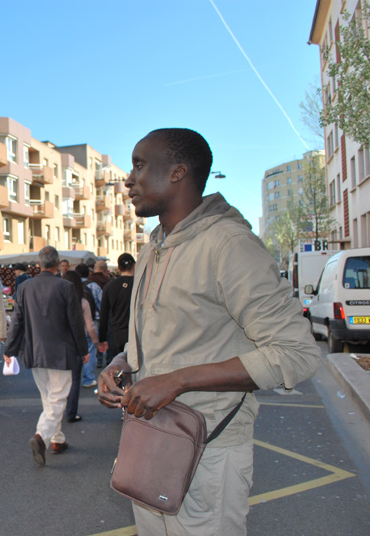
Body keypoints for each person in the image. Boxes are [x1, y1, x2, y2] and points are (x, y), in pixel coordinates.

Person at [96, 128, 319, 535]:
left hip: (208, 450)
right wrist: (120, 363)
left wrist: (178, 381)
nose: (128, 179)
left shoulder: (229, 245)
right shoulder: (153, 248)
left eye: (140, 165)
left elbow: (296, 353)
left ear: (178, 172)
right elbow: (153, 343)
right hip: (150, 442)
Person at [4, 246, 88, 465]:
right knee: (58, 398)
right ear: (57, 263)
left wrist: (10, 350)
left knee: (49, 397)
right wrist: (83, 350)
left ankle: (57, 438)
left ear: (38, 263)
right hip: (61, 351)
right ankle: (42, 436)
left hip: (34, 350)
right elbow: (75, 322)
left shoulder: (25, 287)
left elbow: (17, 321)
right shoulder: (66, 287)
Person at [62, 270, 99, 423]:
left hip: (58, 343)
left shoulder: (58, 300)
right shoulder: (82, 302)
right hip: (77, 344)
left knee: (59, 380)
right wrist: (97, 342)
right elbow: (89, 326)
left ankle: (57, 410)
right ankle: (71, 412)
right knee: (75, 379)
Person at [96, 253, 135, 367]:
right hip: (135, 332)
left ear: (118, 269)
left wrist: (102, 338)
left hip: (116, 333)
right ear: (134, 266)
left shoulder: (110, 286)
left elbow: (104, 313)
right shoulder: (139, 284)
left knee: (117, 367)